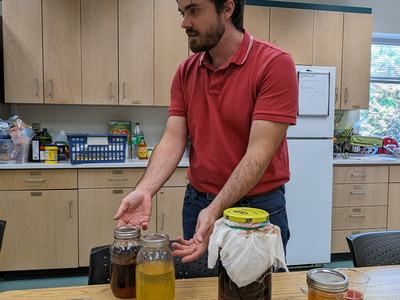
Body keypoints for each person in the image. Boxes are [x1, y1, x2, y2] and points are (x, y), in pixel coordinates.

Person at [114, 0, 298, 263]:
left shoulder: (274, 64)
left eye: (194, 10)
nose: (184, 23)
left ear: (227, 9)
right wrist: (145, 190)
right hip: (199, 203)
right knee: (200, 288)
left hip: (255, 209)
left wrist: (216, 210)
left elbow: (258, 154)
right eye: (182, 12)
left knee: (255, 290)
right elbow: (173, 139)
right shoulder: (186, 71)